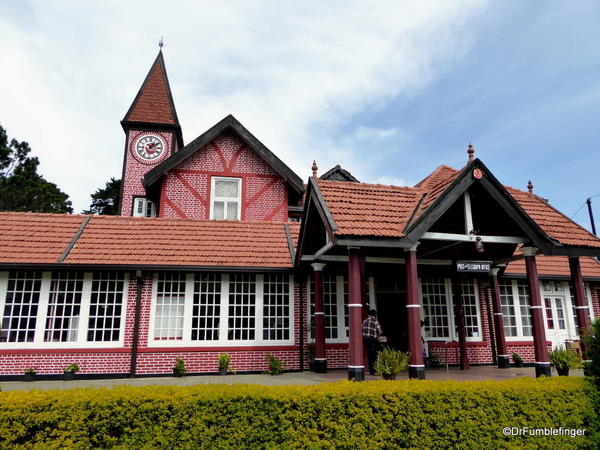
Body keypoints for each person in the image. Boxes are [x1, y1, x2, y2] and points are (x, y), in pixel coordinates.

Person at [362, 309, 383, 376]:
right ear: (375, 315)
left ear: (369, 314)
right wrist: (378, 337)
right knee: (374, 356)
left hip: (366, 340)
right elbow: (380, 331)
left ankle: (371, 371)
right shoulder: (376, 321)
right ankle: (374, 371)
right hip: (373, 340)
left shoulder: (364, 321)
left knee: (369, 355)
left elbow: (362, 330)